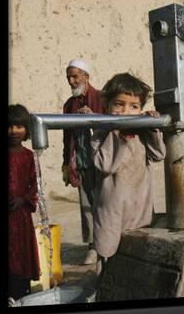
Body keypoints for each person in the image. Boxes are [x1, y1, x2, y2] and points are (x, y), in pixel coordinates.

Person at [91, 73, 166, 275]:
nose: (126, 111)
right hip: (112, 212)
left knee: (138, 262)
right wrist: (118, 133)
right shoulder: (100, 134)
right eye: (119, 105)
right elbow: (105, 165)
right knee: (109, 263)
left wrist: (152, 128)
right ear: (106, 106)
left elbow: (159, 154)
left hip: (139, 209)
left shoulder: (141, 132)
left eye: (134, 106)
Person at [62, 59, 105, 265]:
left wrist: (94, 117)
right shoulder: (69, 105)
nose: (71, 81)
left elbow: (113, 126)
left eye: (75, 76)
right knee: (87, 204)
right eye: (69, 77)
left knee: (105, 202)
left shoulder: (101, 98)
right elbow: (66, 136)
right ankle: (92, 246)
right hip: (82, 161)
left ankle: (109, 242)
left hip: (103, 161)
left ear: (86, 77)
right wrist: (66, 163)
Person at [8, 104, 40, 300]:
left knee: (22, 255)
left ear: (27, 129)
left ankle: (21, 296)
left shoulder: (29, 156)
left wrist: (23, 200)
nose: (13, 132)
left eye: (19, 126)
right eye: (9, 126)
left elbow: (35, 185)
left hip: (21, 217)